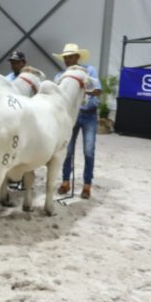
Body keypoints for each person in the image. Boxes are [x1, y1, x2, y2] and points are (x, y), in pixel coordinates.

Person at [53, 43, 101, 200]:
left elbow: (98, 90)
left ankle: (87, 184)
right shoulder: (60, 76)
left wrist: (81, 88)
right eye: (65, 57)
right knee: (67, 150)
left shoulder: (89, 71)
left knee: (88, 149)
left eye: (70, 57)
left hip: (89, 114)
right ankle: (66, 181)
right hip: (69, 117)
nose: (67, 60)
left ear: (77, 57)